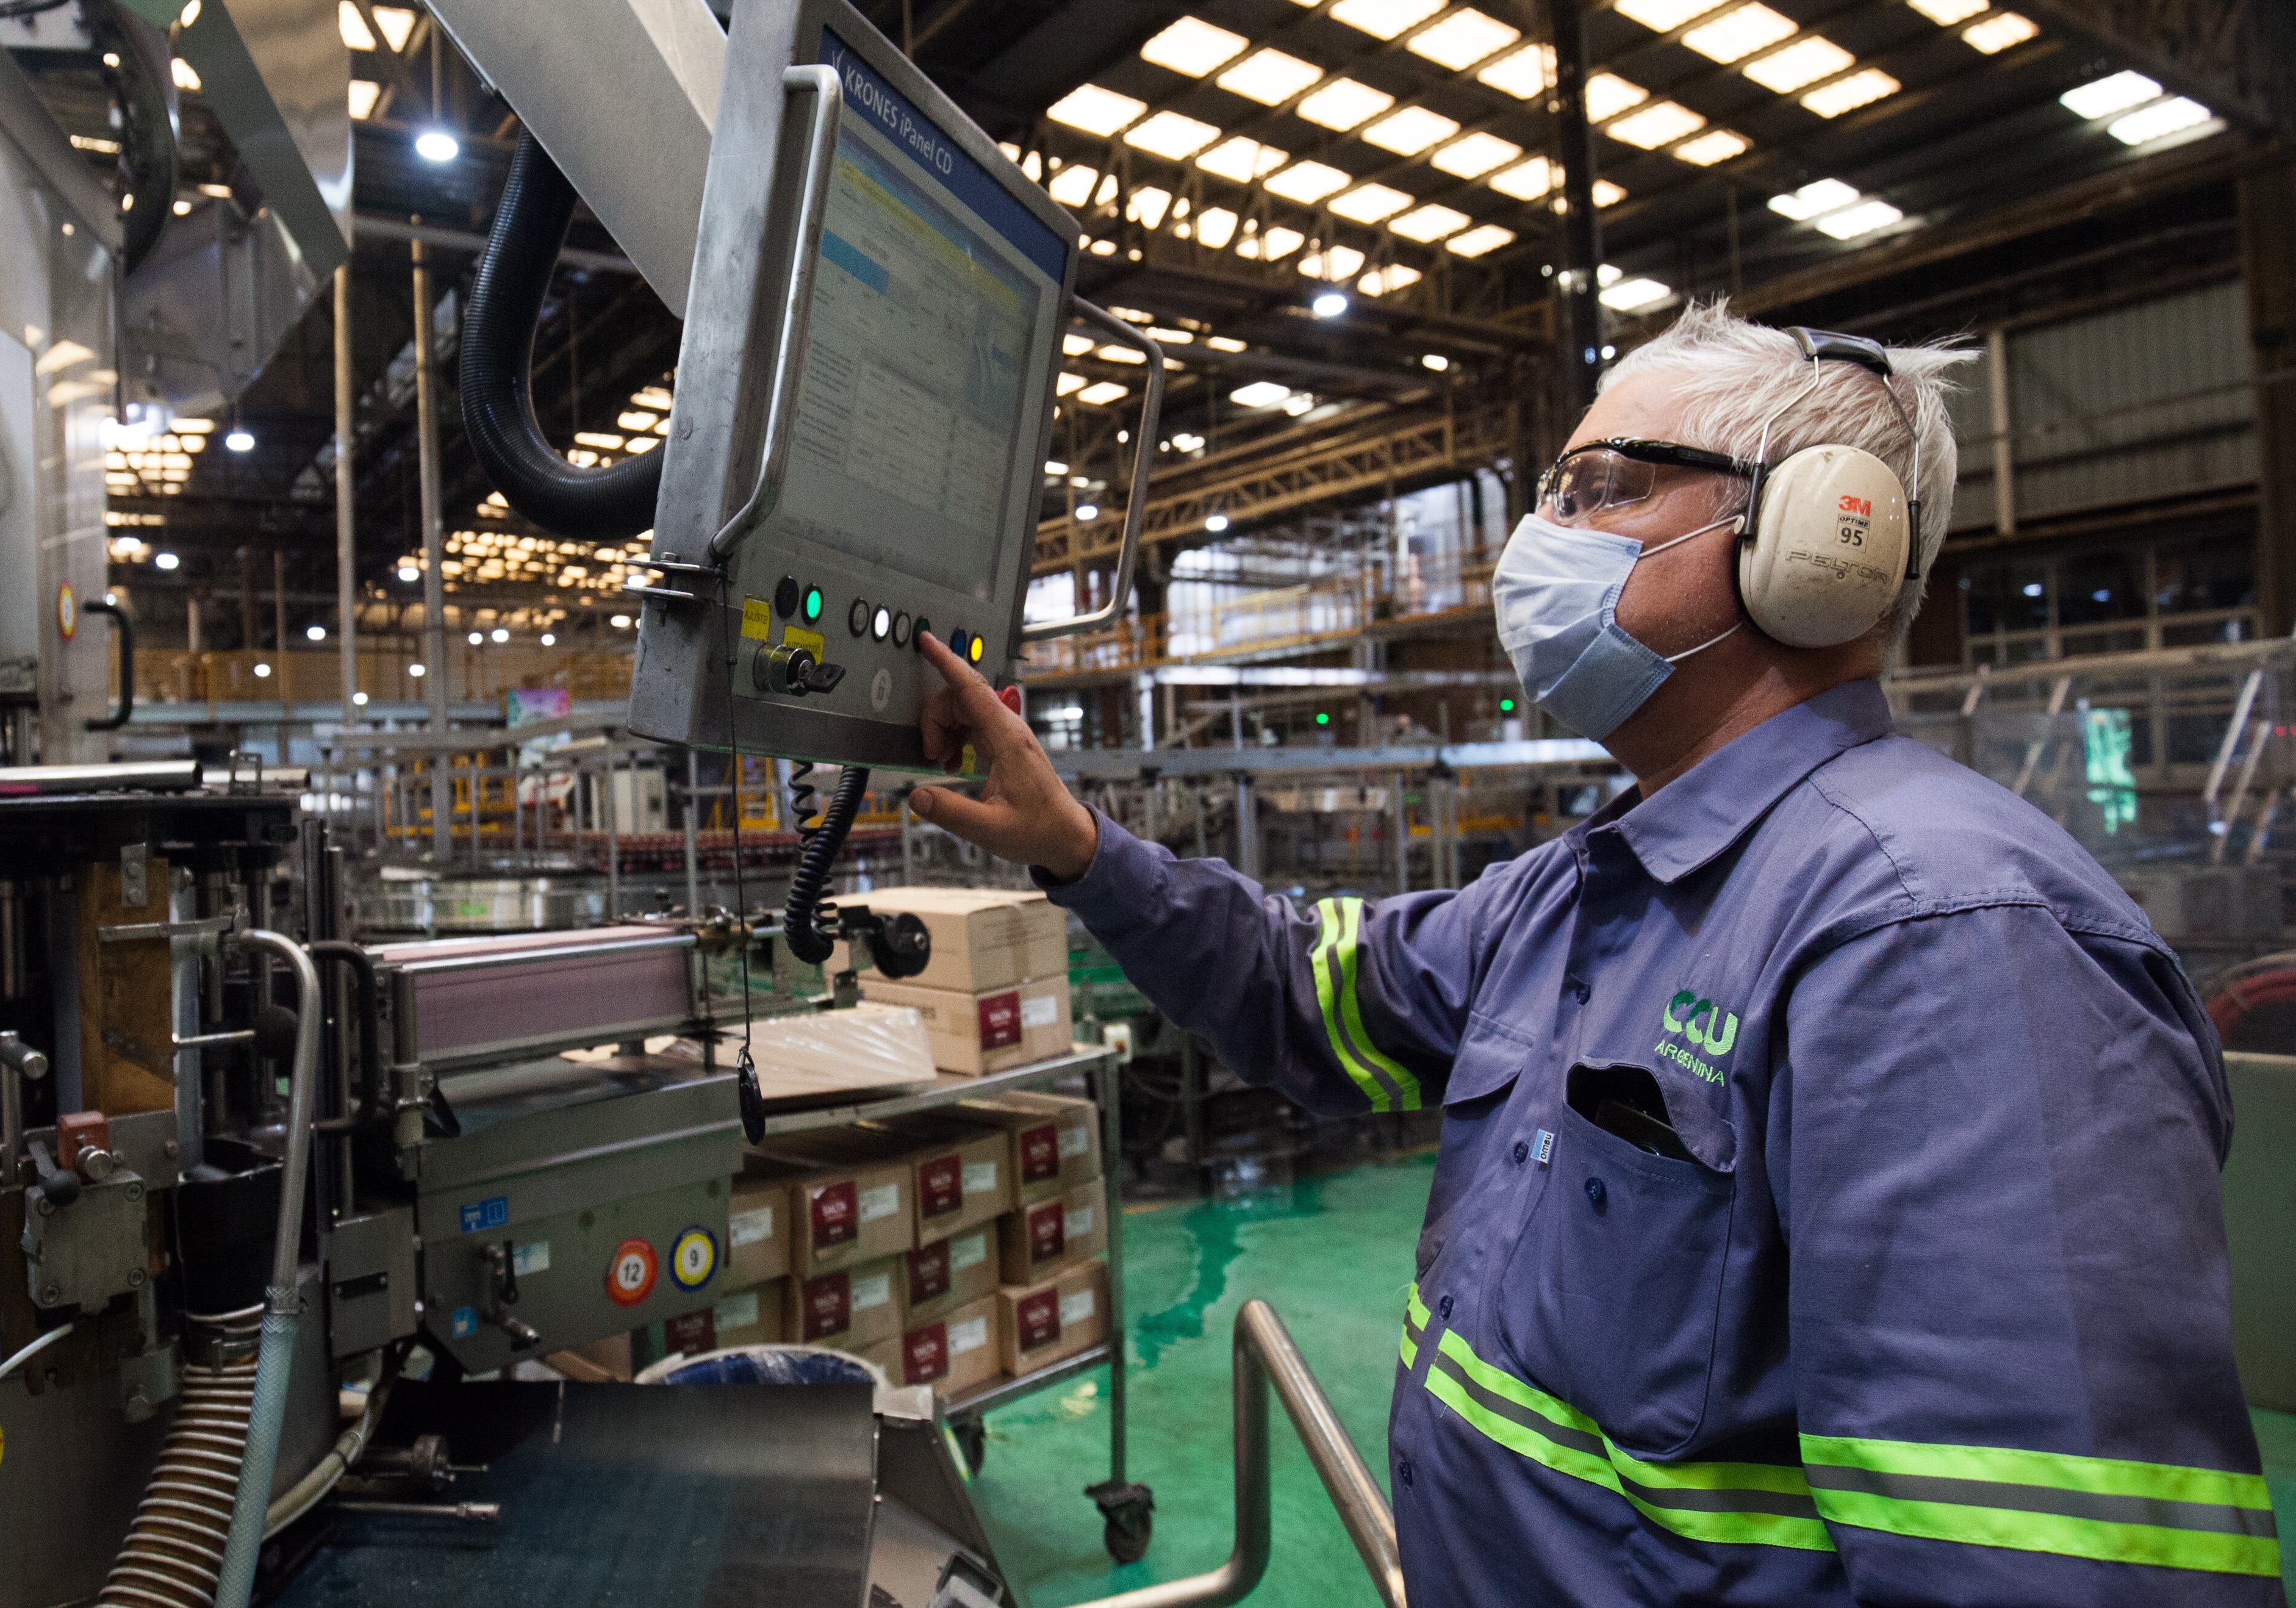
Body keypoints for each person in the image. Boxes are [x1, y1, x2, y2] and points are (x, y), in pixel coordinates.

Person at [905, 300, 2278, 1606]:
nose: (1536, 544)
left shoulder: (1943, 944)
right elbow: (1301, 994)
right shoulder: (1578, 891)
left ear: (1814, 540)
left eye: (1600, 487)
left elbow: (2045, 1562)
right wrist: (1077, 844)